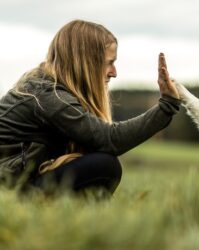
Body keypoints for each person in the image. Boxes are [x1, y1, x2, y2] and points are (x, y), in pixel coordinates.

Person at [0, 20, 181, 195]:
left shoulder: (47, 88)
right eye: (110, 62)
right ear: (86, 61)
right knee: (104, 166)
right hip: (7, 189)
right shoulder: (49, 96)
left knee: (97, 160)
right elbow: (110, 140)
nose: (114, 72)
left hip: (15, 182)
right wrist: (166, 106)